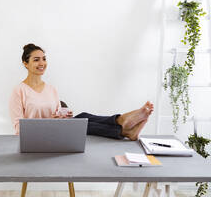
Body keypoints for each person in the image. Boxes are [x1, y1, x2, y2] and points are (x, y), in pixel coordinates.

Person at [9, 43, 154, 141]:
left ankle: (123, 126)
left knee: (82, 117)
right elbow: (18, 129)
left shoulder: (51, 89)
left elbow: (57, 115)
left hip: (56, 134)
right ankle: (122, 124)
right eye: (36, 60)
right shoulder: (19, 91)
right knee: (82, 122)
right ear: (25, 63)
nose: (42, 63)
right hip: (37, 139)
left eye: (44, 59)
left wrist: (63, 116)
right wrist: (49, 123)